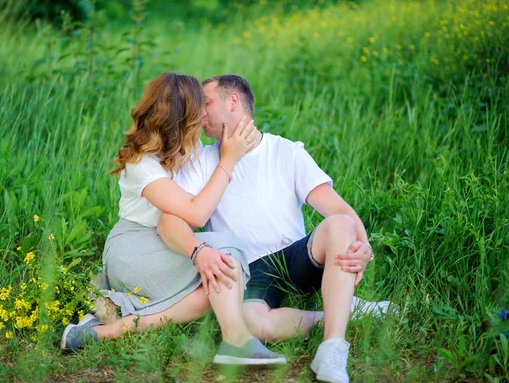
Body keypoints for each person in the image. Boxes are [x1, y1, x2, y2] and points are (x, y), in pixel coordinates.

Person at [157, 75, 395, 383]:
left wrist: (363, 246)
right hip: (248, 270)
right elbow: (172, 220)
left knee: (339, 226)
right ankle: (347, 310)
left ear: (233, 102)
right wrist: (197, 251)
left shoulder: (285, 152)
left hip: (296, 259)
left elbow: (339, 211)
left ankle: (332, 348)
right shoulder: (201, 160)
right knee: (252, 328)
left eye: (207, 103)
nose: (199, 113)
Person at [61, 72, 286, 365]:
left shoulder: (181, 151)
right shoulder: (142, 165)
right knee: (227, 254)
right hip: (134, 249)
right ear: (183, 119)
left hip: (164, 246)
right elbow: (196, 212)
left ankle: (103, 332)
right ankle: (236, 341)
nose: (206, 114)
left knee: (221, 285)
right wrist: (229, 160)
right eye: (199, 109)